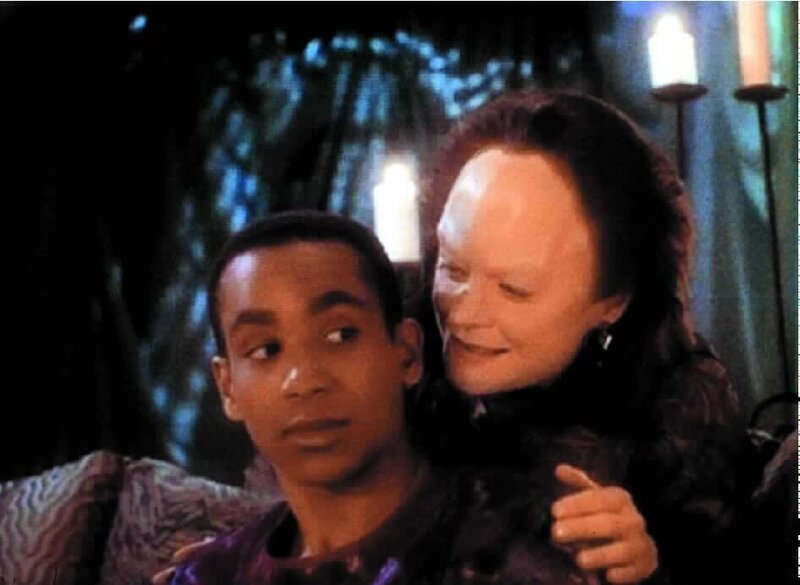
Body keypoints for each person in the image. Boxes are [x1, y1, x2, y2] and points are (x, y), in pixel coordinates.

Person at [411, 89, 744, 584]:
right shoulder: (404, 366)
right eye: (453, 267)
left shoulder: (679, 424)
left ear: (614, 300)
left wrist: (646, 569)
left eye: (514, 289)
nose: (464, 312)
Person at [166, 211, 606, 585]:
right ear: (228, 387)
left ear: (407, 353)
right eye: (266, 350)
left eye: (340, 335)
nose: (303, 380)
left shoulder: (531, 543)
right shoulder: (210, 574)